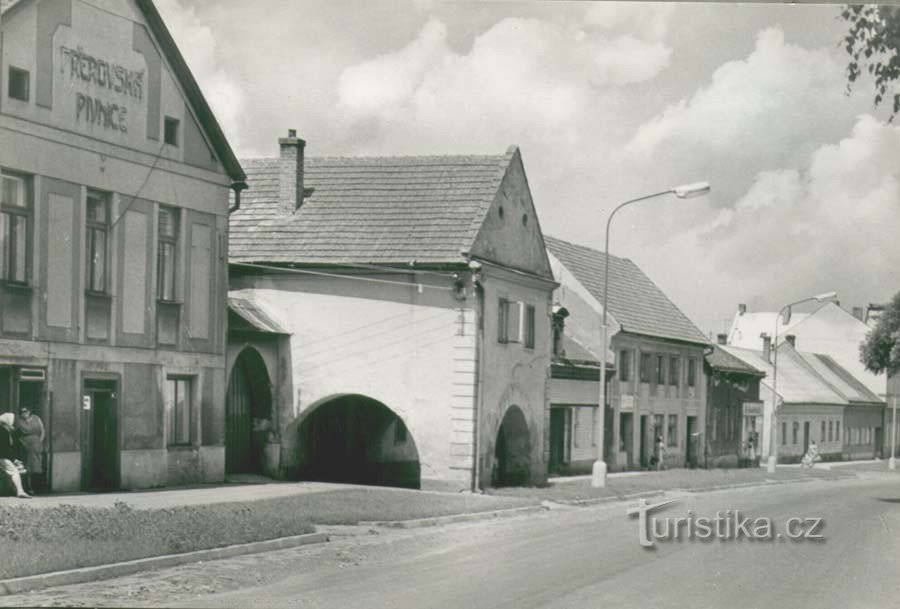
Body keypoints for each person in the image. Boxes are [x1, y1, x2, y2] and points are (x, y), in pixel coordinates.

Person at [0, 413, 31, 498]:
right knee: (15, 472)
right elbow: (4, 448)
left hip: (2, 456)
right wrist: (14, 460)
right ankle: (20, 491)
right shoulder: (4, 432)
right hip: (2, 457)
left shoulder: (4, 430)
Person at [14, 406, 44, 495]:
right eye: (22, 411)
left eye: (25, 411)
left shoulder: (36, 418)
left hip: (37, 444)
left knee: (37, 466)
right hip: (25, 445)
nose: (24, 413)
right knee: (27, 467)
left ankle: (38, 487)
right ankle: (29, 488)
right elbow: (15, 433)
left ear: (29, 411)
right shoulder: (19, 421)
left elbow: (42, 430)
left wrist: (40, 441)